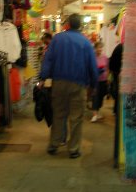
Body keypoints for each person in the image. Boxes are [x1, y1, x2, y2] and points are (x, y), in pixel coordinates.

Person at [39, 13, 98, 159]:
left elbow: (48, 59)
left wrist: (43, 77)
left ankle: (53, 145)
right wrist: (94, 83)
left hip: (58, 83)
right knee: (76, 117)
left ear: (68, 24)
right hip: (78, 84)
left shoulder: (57, 39)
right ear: (80, 25)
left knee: (58, 114)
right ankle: (73, 149)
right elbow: (92, 65)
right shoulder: (85, 42)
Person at [91, 41, 109, 122]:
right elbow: (90, 68)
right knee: (95, 96)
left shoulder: (105, 57)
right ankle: (94, 114)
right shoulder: (92, 57)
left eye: (101, 47)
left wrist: (108, 78)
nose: (99, 49)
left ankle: (97, 112)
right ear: (95, 48)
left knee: (101, 97)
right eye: (98, 47)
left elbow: (107, 68)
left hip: (104, 80)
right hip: (95, 80)